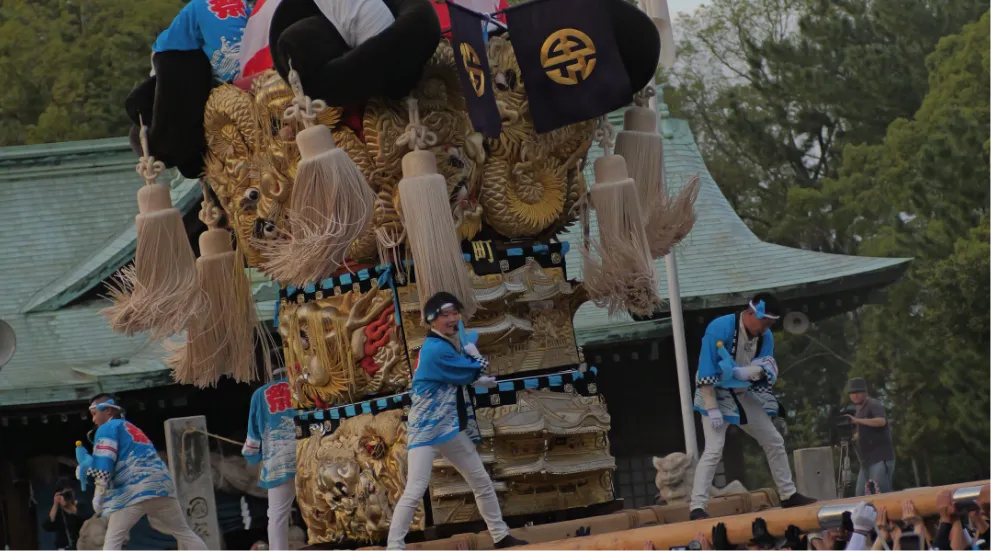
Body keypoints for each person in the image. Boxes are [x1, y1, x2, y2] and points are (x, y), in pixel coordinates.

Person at [386, 292, 527, 550]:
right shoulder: (435, 349)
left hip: (447, 426)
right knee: (416, 488)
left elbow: (455, 376)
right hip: (426, 429)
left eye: (454, 314)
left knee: (480, 480)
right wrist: (473, 353)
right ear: (432, 320)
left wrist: (472, 373)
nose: (452, 319)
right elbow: (476, 367)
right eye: (446, 315)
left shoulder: (444, 345)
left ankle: (500, 535)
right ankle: (394, 546)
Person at [688, 293, 816, 519]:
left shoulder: (765, 337)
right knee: (714, 448)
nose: (766, 328)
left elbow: (766, 366)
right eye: (764, 322)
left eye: (770, 324)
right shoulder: (720, 327)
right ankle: (697, 506)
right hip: (714, 394)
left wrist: (751, 372)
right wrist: (712, 407)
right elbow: (706, 367)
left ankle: (788, 494)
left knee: (774, 440)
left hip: (742, 393)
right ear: (751, 312)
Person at [83, 394, 209, 551]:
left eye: (94, 414)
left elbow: (104, 461)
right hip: (162, 487)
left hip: (134, 490)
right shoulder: (132, 428)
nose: (93, 420)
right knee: (184, 533)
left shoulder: (107, 428)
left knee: (113, 539)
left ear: (108, 410)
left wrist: (99, 493)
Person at [242, 369, 297, 551]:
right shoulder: (302, 383)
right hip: (307, 454)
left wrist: (252, 457)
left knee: (277, 515)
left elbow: (253, 431)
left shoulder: (259, 394)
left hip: (278, 461)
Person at [845, 378, 895, 495]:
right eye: (852, 393)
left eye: (858, 392)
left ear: (865, 392)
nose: (855, 396)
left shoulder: (873, 404)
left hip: (880, 458)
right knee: (860, 493)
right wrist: (856, 436)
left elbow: (881, 421)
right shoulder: (859, 410)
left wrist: (857, 421)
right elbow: (865, 426)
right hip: (866, 461)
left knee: (881, 492)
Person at [44, 478, 85, 551]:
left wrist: (71, 508)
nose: (67, 496)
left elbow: (87, 520)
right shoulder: (56, 511)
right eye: (64, 494)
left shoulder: (81, 507)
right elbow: (48, 526)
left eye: (69, 493)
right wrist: (55, 505)